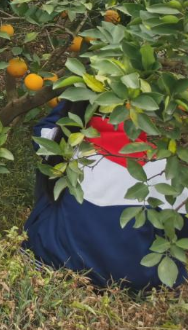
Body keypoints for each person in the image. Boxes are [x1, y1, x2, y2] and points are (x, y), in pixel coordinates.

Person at [25, 100, 188, 288]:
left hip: (54, 261)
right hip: (135, 283)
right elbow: (180, 231)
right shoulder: (168, 174)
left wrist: (75, 94)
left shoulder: (63, 146)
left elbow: (44, 127)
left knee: (51, 173)